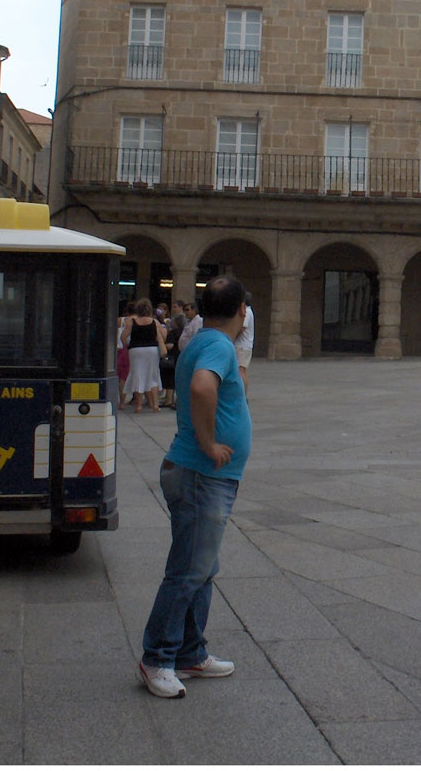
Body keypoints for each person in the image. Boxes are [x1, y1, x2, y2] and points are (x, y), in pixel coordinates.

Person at [139, 277, 252, 699]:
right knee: (188, 570)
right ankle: (157, 658)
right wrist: (208, 443)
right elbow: (203, 388)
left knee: (201, 569)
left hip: (201, 475)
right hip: (201, 474)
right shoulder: (219, 346)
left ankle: (189, 652)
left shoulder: (203, 341)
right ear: (241, 309)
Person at [124, 301, 165, 413]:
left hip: (136, 350)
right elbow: (163, 334)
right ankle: (155, 404)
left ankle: (139, 405)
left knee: (137, 374)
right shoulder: (154, 322)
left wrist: (128, 345)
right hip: (151, 350)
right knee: (153, 375)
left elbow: (123, 337)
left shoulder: (132, 322)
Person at [235, 301, 258, 372]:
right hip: (244, 345)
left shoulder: (247, 312)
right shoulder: (249, 311)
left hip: (242, 345)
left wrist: (232, 336)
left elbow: (242, 327)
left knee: (240, 370)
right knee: (242, 369)